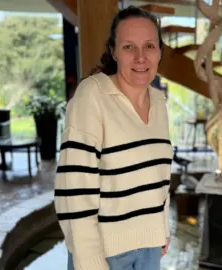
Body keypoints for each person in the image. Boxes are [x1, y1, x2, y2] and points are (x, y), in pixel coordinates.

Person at [54, 5, 173, 270]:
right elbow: (74, 189)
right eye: (129, 47)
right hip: (106, 254)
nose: (141, 57)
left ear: (159, 52)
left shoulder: (159, 101)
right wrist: (91, 262)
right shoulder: (93, 95)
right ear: (114, 51)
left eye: (150, 46)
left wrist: (161, 226)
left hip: (150, 250)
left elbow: (160, 177)